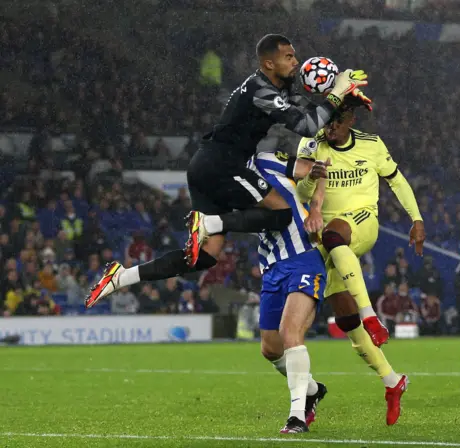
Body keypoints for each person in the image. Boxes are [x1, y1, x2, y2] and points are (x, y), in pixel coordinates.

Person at [85, 34, 369, 307]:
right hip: (222, 166)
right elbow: (308, 127)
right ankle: (211, 223)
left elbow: (308, 113)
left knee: (202, 258)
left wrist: (345, 97)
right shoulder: (261, 91)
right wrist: (334, 94)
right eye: (288, 56)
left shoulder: (274, 90)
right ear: (269, 63)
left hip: (205, 167)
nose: (295, 61)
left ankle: (121, 277)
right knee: (282, 213)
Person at [296, 100, 424, 425]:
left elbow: (396, 181)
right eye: (327, 123)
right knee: (344, 319)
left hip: (362, 222)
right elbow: (300, 191)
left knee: (336, 235)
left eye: (337, 122)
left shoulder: (371, 144)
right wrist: (312, 176)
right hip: (325, 235)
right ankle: (392, 381)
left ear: (351, 119)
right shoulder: (312, 145)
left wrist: (417, 218)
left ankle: (371, 316)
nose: (330, 128)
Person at [250, 151, 329, 434]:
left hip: (303, 257)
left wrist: (316, 209)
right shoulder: (228, 185)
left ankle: (297, 416)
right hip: (271, 265)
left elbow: (319, 169)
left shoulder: (266, 160)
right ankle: (311, 389)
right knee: (270, 349)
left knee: (290, 331)